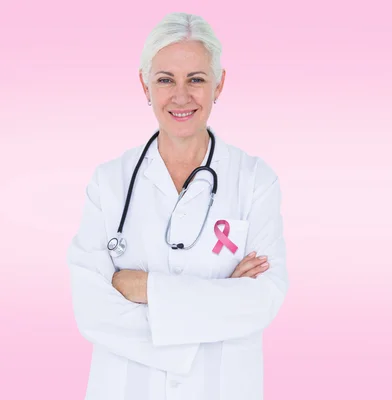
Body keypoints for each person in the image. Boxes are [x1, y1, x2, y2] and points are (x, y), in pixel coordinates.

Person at [66, 12, 289, 400]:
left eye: (196, 80)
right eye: (165, 79)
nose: (181, 96)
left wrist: (144, 287)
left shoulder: (255, 181)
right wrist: (220, 300)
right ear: (144, 84)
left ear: (219, 84)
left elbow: (262, 300)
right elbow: (91, 310)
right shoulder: (108, 183)